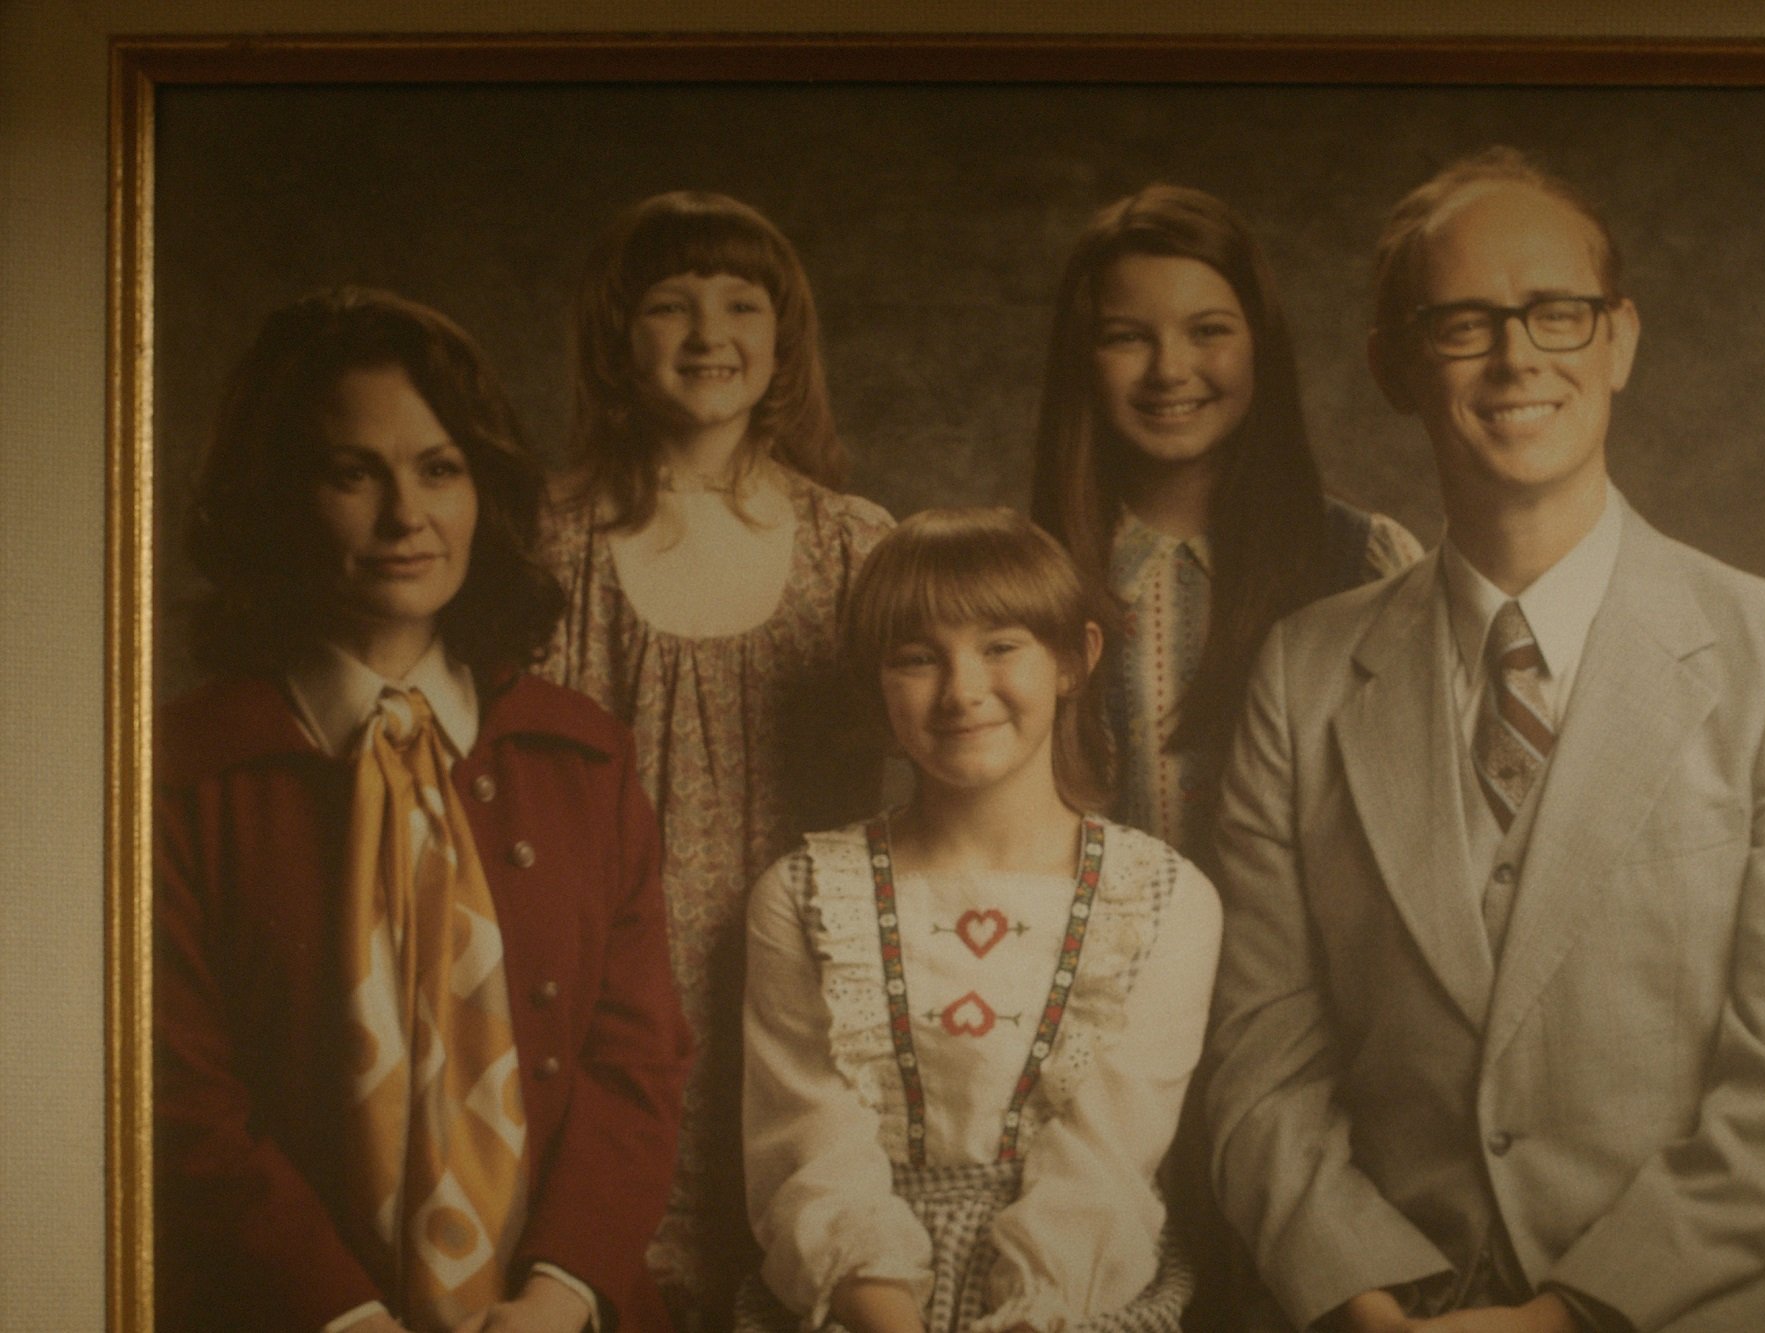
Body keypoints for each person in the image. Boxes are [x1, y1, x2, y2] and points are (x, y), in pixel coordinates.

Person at [1206, 147, 1765, 1333]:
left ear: (1619, 340)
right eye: (1460, 324)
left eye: (1556, 312)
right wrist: (1357, 1293)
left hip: (1689, 1306)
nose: (1515, 358)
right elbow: (1257, 1055)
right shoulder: (1300, 675)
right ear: (1393, 364)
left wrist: (1566, 1315)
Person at [154, 287, 693, 1333]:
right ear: (277, 495)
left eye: (439, 469)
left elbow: (636, 1061)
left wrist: (559, 1290)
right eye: (352, 473)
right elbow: (182, 1101)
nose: (407, 517)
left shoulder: (579, 757)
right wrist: (342, 1315)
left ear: (482, 487)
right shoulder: (185, 775)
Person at [533, 191, 896, 1329]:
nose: (708, 334)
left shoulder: (850, 543)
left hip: (799, 990)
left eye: (741, 304)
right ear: (613, 334)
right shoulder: (549, 542)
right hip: (604, 984)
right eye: (669, 305)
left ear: (782, 337)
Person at [734, 507, 1222, 1333]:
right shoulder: (808, 893)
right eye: (917, 658)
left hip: (1066, 1301)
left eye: (1001, 646)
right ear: (876, 682)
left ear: (1076, 659)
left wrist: (1030, 1313)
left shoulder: (1164, 899)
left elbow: (1106, 1161)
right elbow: (809, 1152)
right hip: (859, 1306)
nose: (962, 690)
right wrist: (888, 1314)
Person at [1029, 182, 1420, 868]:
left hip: (1304, 969)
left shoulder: (1364, 562)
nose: (1170, 370)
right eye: (1126, 337)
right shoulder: (1027, 571)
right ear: (1082, 360)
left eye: (1208, 330)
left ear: (1258, 345)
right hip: (1090, 966)